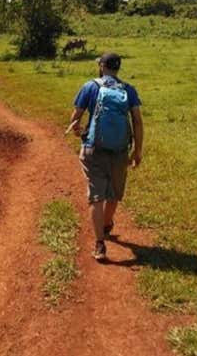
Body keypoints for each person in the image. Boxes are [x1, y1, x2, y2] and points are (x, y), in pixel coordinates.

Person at [66, 52, 143, 261]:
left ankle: (100, 244)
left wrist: (78, 131)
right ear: (118, 68)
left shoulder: (90, 86)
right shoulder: (128, 90)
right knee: (114, 193)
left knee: (96, 195)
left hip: (93, 149)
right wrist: (137, 150)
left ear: (101, 66)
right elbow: (137, 121)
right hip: (119, 151)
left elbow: (75, 119)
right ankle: (107, 223)